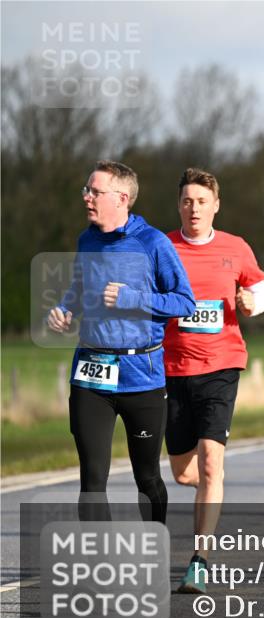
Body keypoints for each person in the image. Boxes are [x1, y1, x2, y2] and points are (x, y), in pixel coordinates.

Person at [47, 160, 195, 524]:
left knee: (146, 477)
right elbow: (79, 289)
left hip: (141, 374)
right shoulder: (87, 240)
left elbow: (185, 302)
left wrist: (133, 298)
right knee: (92, 480)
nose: (87, 198)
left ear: (122, 198)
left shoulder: (153, 243)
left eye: (95, 192)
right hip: (91, 372)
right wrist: (65, 310)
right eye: (87, 190)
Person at [162, 168, 264, 594]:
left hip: (222, 364)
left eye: (201, 201)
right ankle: (213, 485)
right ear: (179, 205)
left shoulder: (235, 247)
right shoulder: (163, 246)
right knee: (185, 474)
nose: (194, 208)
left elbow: (259, 291)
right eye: (187, 201)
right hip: (172, 368)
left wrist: (250, 302)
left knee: (211, 460)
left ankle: (200, 560)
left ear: (215, 205)